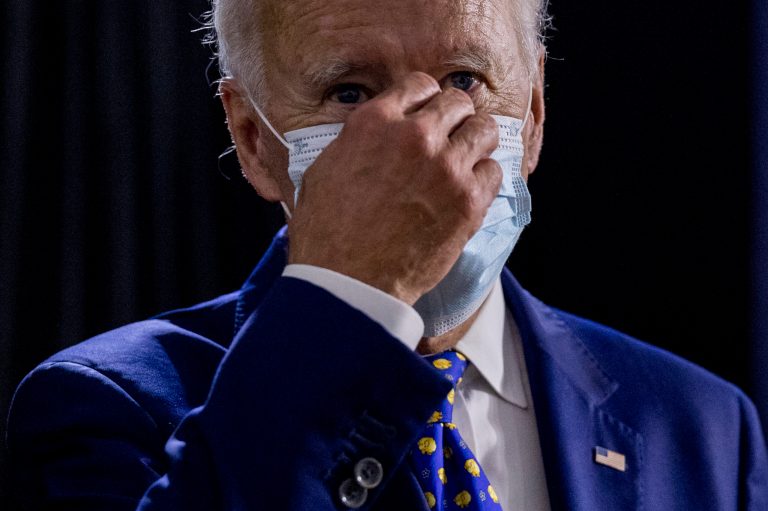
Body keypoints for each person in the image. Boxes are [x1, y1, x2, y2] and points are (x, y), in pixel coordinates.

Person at [6, 0, 768, 509]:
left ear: (532, 117)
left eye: (466, 79)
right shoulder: (100, 408)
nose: (418, 143)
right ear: (250, 139)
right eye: (348, 93)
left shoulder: (701, 426)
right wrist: (350, 292)